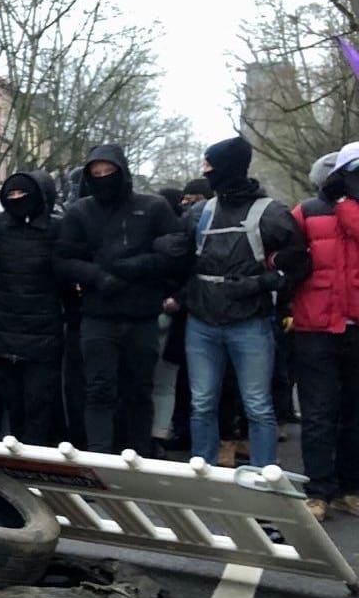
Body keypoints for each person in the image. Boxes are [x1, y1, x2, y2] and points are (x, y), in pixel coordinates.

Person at [169, 136, 307, 468]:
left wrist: (258, 284)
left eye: (209, 165)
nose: (205, 171)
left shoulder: (270, 213)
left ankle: (264, 476)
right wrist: (183, 290)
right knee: (202, 402)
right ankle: (202, 470)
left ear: (227, 167)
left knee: (258, 404)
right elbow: (180, 259)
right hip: (202, 321)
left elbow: (300, 264)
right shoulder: (201, 212)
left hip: (251, 321)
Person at [57, 144, 184, 455]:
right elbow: (62, 259)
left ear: (121, 171)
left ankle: (138, 454)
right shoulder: (80, 212)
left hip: (141, 315)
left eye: (108, 172)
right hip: (98, 313)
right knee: (99, 389)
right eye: (96, 173)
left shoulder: (153, 208)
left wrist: (135, 268)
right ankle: (100, 455)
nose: (102, 178)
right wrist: (97, 277)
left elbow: (176, 253)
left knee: (139, 389)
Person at [289, 143, 359, 519]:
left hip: (355, 326)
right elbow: (283, 254)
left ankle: (351, 487)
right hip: (315, 326)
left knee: (355, 414)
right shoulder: (308, 211)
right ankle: (319, 490)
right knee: (318, 413)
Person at [0, 172, 66, 446]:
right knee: (12, 401)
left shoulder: (57, 229)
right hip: (2, 326)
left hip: (42, 328)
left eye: (23, 194)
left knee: (39, 402)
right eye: (12, 195)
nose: (17, 200)